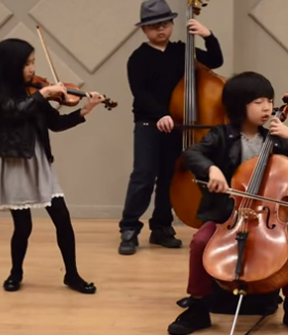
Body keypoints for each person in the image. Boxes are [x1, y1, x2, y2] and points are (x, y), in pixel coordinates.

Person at [167, 72, 288, 335]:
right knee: (200, 242)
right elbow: (192, 153)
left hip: (269, 217)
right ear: (240, 106)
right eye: (258, 102)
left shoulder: (278, 136)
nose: (266, 108)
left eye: (269, 101)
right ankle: (197, 307)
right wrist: (212, 170)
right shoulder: (221, 135)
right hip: (229, 214)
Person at [0, 38, 106, 294]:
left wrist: (85, 110)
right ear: (11, 64)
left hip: (39, 160)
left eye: (34, 62)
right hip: (15, 160)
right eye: (27, 63)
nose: (32, 69)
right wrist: (44, 94)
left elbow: (55, 124)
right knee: (23, 226)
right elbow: (12, 114)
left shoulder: (34, 92)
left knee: (62, 219)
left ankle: (72, 274)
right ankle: (15, 272)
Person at [118, 0, 224, 255]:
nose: (160, 30)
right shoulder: (138, 58)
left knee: (168, 177)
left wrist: (208, 36)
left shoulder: (183, 51)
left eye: (165, 24)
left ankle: (162, 228)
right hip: (149, 123)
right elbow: (140, 94)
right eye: (154, 26)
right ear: (144, 30)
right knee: (144, 175)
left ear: (173, 24)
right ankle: (129, 228)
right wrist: (160, 114)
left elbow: (216, 61)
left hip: (178, 126)